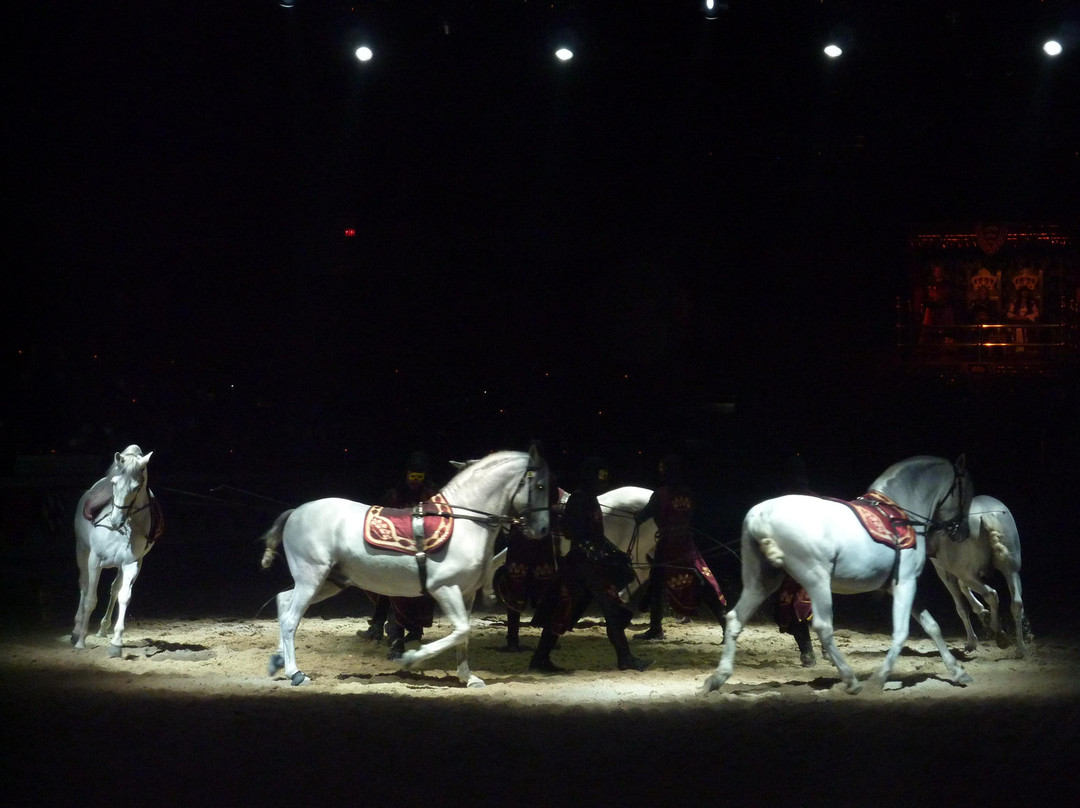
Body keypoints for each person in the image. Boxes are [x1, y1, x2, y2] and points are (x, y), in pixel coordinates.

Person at [529, 457, 650, 673]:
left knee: (568, 608)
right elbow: (574, 532)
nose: (602, 482)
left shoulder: (587, 498)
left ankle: (540, 658)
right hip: (586, 563)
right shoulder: (580, 499)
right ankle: (625, 658)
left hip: (585, 562)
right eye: (599, 478)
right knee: (608, 607)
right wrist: (606, 553)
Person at [632, 453, 726, 640]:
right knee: (701, 582)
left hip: (667, 546)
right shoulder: (689, 492)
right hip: (686, 543)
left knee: (658, 584)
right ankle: (724, 622)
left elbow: (643, 516)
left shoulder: (659, 495)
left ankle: (656, 629)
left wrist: (635, 516)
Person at [358, 450, 439, 659]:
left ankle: (413, 632)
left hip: (420, 554)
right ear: (406, 474)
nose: (415, 479)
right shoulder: (394, 495)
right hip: (395, 550)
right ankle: (379, 627)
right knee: (387, 589)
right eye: (412, 475)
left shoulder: (430, 496)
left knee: (415, 596)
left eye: (419, 476)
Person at [492, 480, 563, 652]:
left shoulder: (531, 481)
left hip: (532, 546)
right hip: (526, 545)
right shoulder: (528, 481)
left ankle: (525, 641)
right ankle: (520, 641)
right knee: (520, 592)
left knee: (540, 592)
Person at [775, 454, 816, 667]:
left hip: (800, 565)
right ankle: (814, 650)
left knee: (794, 609)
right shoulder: (815, 499)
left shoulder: (784, 501)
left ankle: (808, 653)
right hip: (812, 564)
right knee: (801, 608)